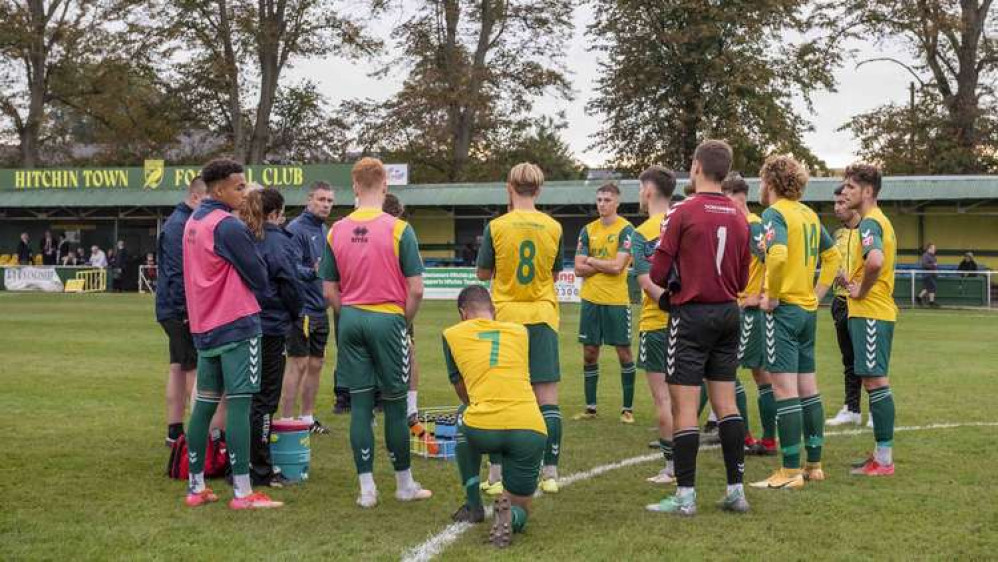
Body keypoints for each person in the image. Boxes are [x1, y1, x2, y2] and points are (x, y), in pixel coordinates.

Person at [647, 139, 751, 516]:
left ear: (694, 168)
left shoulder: (681, 211)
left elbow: (658, 271)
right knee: (727, 404)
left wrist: (675, 282)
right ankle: (736, 491)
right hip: (728, 313)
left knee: (685, 408)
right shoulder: (740, 215)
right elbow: (742, 277)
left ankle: (685, 496)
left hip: (691, 315)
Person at [320, 157, 431, 508]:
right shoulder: (400, 229)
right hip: (387, 318)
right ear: (384, 185)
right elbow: (416, 289)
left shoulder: (336, 230)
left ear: (354, 187)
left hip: (351, 318)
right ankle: (404, 484)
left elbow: (328, 290)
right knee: (396, 405)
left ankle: (366, 489)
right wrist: (401, 320)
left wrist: (349, 312)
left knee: (361, 406)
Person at [182, 158, 281, 510]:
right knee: (240, 404)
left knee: (204, 406)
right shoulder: (227, 225)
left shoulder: (194, 220)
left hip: (205, 327)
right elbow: (259, 276)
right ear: (220, 189)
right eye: (239, 187)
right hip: (237, 324)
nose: (245, 192)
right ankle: (242, 491)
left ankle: (196, 487)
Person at [750, 155, 841, 491]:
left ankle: (789, 471)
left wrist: (771, 295)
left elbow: (776, 255)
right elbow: (832, 257)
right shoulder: (808, 214)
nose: (759, 188)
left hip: (784, 310)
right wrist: (817, 294)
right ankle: (814, 465)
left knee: (783, 390)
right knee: (808, 388)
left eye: (761, 181)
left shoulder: (774, 213)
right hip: (805, 311)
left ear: (771, 183)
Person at [476, 162, 564, 495]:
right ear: (539, 190)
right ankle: (551, 472)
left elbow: (483, 274)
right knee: (547, 400)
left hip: (506, 317)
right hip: (542, 316)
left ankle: (497, 475)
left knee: (502, 396)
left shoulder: (497, 226)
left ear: (509, 187)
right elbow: (555, 276)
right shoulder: (553, 227)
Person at [445, 285, 547, 548]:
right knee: (522, 506)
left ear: (462, 313)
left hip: (482, 427)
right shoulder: (520, 332)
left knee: (463, 416)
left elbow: (462, 390)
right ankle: (511, 517)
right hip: (529, 427)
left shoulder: (452, 334)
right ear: (494, 310)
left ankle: (473, 504)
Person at [841, 163, 899, 477]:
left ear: (867, 191)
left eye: (851, 186)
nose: (845, 192)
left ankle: (885, 460)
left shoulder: (869, 224)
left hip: (872, 312)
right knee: (870, 379)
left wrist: (861, 290)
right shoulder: (875, 222)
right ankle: (880, 454)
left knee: (876, 380)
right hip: (869, 312)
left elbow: (875, 261)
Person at [243, 187, 303, 488]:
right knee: (265, 400)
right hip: (269, 326)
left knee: (244, 398)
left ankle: (239, 465)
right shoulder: (277, 241)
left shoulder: (243, 236)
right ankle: (262, 470)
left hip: (242, 324)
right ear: (277, 213)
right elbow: (289, 284)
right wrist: (296, 313)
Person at [722, 174, 776, 455]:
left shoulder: (753, 227)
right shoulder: (743, 225)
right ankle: (767, 441)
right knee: (759, 374)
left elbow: (774, 260)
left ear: (735, 197)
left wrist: (763, 293)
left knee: (728, 371)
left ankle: (746, 438)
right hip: (744, 309)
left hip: (750, 312)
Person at [573, 183, 637, 423]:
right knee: (589, 353)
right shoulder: (587, 230)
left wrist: (591, 260)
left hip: (616, 302)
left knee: (624, 354)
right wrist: (603, 263)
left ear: (617, 203)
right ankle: (590, 408)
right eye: (599, 199)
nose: (602, 204)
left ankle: (627, 409)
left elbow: (618, 267)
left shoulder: (626, 230)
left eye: (607, 200)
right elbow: (578, 270)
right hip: (590, 301)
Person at [631, 166, 677, 483]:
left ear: (648, 191)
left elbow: (646, 282)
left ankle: (672, 468)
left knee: (663, 399)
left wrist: (669, 303)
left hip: (657, 322)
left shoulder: (643, 232)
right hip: (692, 322)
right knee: (686, 397)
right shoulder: (687, 221)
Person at [281, 181, 335, 433]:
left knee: (316, 365)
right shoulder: (295, 229)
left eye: (329, 201)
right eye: (321, 199)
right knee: (298, 364)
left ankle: (307, 418)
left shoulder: (325, 230)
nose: (325, 204)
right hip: (301, 309)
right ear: (309, 200)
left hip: (320, 308)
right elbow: (289, 269)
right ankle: (287, 421)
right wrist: (313, 271)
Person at [157, 177, 208, 446]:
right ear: (198, 198)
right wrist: (188, 309)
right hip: (180, 308)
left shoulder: (178, 221)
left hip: (171, 307)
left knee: (178, 366)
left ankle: (174, 431)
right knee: (192, 369)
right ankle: (201, 435)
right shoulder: (181, 225)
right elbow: (179, 273)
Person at [382, 193, 432, 443]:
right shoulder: (402, 232)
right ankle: (409, 410)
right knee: (408, 355)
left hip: (368, 309)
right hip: (397, 308)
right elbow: (416, 282)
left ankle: (378, 411)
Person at [826, 184, 864, 427]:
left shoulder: (869, 230)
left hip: (863, 302)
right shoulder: (836, 235)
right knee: (848, 359)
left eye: (842, 202)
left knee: (868, 360)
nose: (837, 207)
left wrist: (854, 281)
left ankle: (877, 408)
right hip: (840, 302)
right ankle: (852, 408)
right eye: (836, 203)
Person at [916, 243, 939, 307]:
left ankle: (927, 300)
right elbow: (924, 265)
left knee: (929, 288)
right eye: (933, 248)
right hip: (927, 275)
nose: (935, 250)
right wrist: (933, 265)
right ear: (929, 249)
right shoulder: (925, 255)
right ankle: (921, 298)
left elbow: (935, 266)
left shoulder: (933, 256)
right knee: (931, 287)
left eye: (935, 248)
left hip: (932, 275)